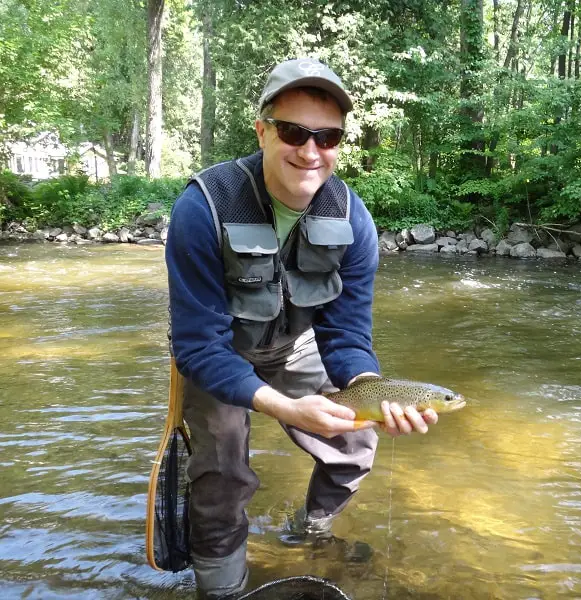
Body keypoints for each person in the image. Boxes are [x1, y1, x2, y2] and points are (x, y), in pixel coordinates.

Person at [165, 57, 439, 599]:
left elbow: (348, 334)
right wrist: (285, 407)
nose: (310, 151)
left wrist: (370, 391)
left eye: (327, 136)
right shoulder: (204, 209)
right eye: (293, 131)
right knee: (221, 478)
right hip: (219, 356)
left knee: (356, 440)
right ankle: (221, 590)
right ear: (263, 130)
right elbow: (198, 345)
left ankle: (311, 531)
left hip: (296, 346)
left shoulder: (354, 220)